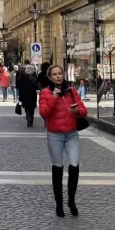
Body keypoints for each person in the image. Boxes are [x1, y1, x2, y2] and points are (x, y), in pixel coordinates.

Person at [39, 64, 88, 217]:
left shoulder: (71, 91)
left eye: (60, 73)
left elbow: (84, 110)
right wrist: (54, 98)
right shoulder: (45, 93)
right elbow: (43, 112)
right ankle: (59, 203)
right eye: (54, 74)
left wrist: (77, 111)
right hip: (55, 135)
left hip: (71, 134)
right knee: (58, 167)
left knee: (74, 164)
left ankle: (71, 200)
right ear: (50, 77)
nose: (58, 76)